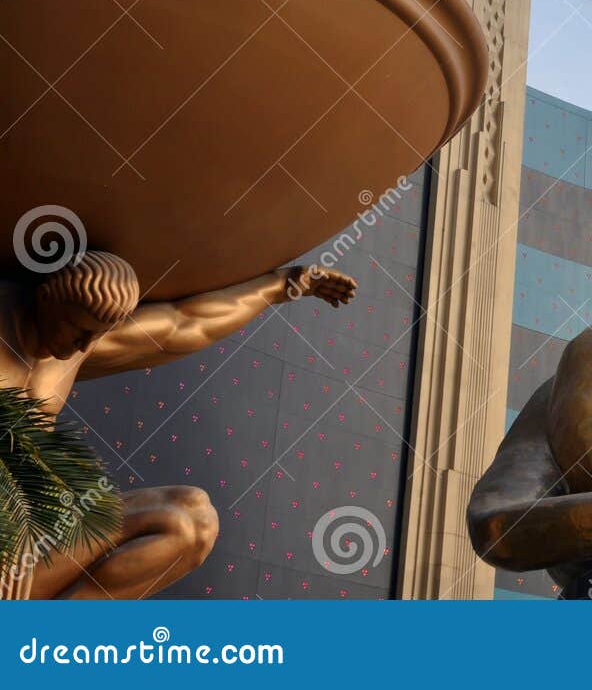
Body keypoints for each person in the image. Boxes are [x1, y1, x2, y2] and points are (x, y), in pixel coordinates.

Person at [0, 252, 355, 599]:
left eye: (96, 335)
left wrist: (285, 284)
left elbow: (185, 324)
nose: (85, 346)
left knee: (190, 520)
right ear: (46, 298)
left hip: (25, 546)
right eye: (80, 331)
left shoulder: (75, 339)